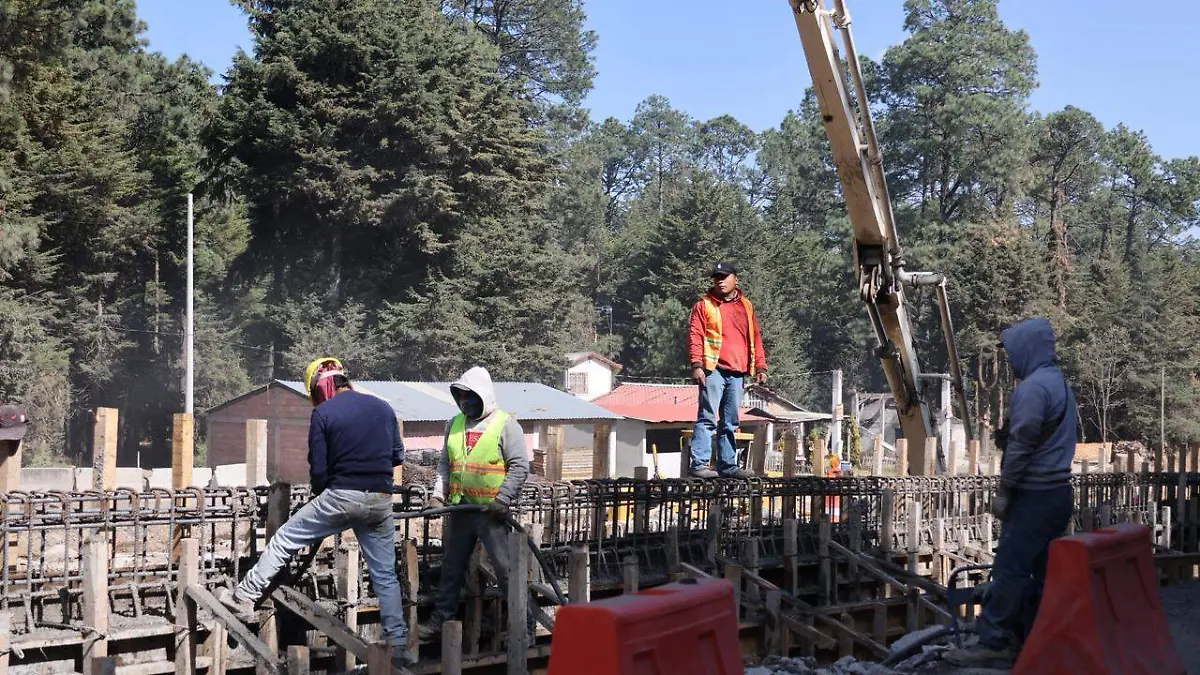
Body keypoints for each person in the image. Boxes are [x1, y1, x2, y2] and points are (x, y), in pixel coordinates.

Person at [219, 358, 414, 667]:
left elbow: (319, 473)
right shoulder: (384, 408)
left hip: (341, 495)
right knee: (385, 575)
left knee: (284, 539)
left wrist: (330, 500)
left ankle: (244, 596)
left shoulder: (323, 413)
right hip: (380, 497)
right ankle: (399, 645)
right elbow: (396, 456)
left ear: (321, 388)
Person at [945, 318, 1077, 668]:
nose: (1012, 362)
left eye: (1014, 354)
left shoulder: (1033, 389)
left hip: (1034, 497)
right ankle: (1038, 638)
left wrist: (1004, 491)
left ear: (1027, 350)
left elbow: (1021, 444)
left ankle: (995, 643)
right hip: (1058, 494)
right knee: (1044, 574)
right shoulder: (1061, 384)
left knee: (1009, 572)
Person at [417, 366, 533, 642]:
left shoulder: (506, 425)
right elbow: (446, 465)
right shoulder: (454, 424)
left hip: (490, 513)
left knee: (506, 571)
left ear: (484, 396)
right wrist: (438, 494)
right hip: (461, 509)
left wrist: (502, 499)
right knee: (451, 568)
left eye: (470, 397)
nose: (465, 403)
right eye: (461, 397)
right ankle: (441, 620)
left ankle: (523, 626)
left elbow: (520, 467)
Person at [686, 261, 767, 479]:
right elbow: (695, 336)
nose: (720, 281)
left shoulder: (746, 306)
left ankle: (728, 465)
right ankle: (700, 464)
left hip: (738, 372)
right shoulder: (704, 306)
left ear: (735, 279)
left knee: (730, 422)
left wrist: (760, 365)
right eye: (716, 278)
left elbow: (755, 337)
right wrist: (697, 365)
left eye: (724, 276)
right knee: (708, 418)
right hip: (713, 370)